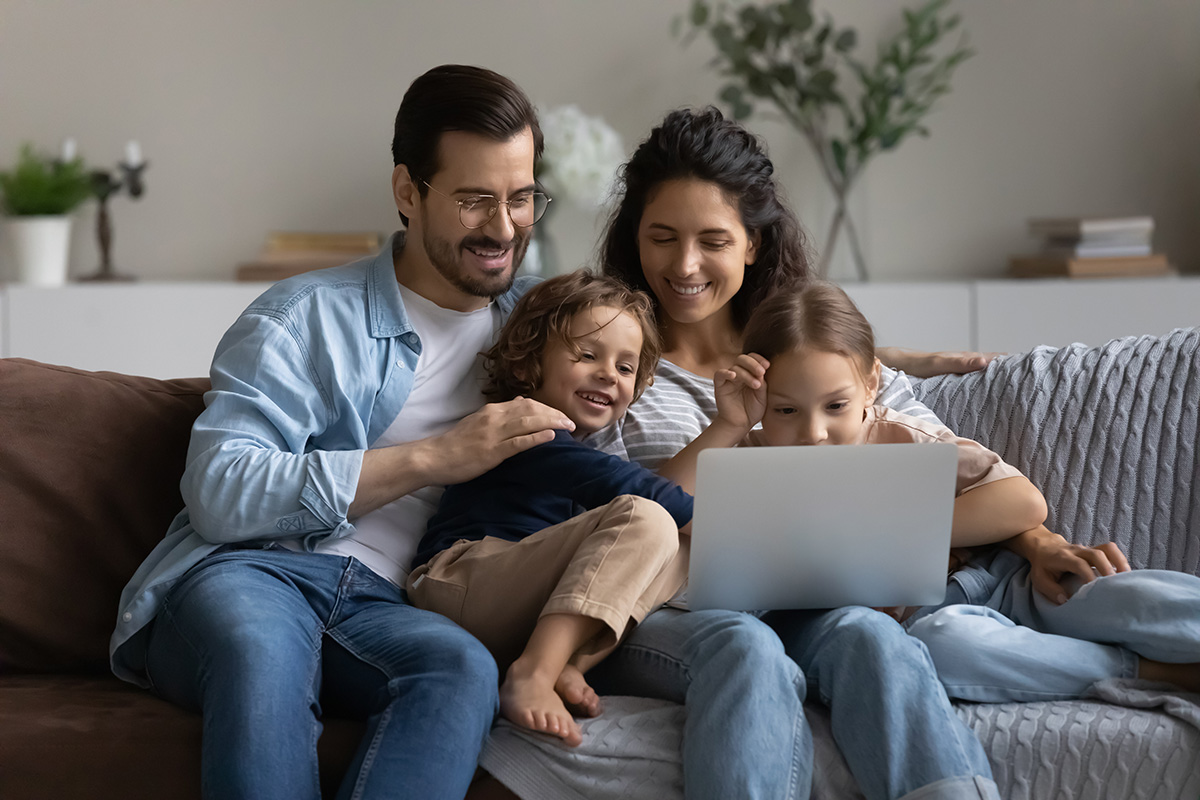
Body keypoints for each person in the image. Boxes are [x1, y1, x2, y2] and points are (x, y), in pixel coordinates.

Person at [108, 64, 575, 800]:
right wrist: (433, 458)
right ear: (406, 192)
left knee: (461, 669)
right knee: (261, 650)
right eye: (474, 199)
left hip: (388, 607)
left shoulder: (542, 332)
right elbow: (220, 489)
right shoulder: (304, 317)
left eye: (522, 198)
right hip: (255, 572)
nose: (504, 226)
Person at [571, 105, 1006, 800]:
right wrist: (722, 429)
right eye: (662, 237)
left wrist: (1038, 539)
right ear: (635, 239)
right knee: (747, 646)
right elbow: (616, 522)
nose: (684, 265)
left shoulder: (807, 347)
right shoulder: (608, 359)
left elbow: (937, 462)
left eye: (712, 240)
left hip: (806, 606)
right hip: (665, 615)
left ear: (752, 243)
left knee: (872, 637)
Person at [727, 281, 1200, 702]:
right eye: (786, 411)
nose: (815, 432)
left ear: (871, 384)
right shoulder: (748, 464)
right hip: (929, 623)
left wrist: (883, 534)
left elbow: (1023, 502)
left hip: (1004, 584)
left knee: (1130, 599)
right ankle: (1156, 673)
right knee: (944, 647)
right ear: (760, 399)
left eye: (836, 405)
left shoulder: (901, 436)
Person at [407, 270, 692, 747]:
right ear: (526, 363)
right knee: (646, 516)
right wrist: (722, 525)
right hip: (459, 581)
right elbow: (620, 483)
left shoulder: (577, 443)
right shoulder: (518, 426)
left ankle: (569, 665)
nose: (608, 373)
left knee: (676, 547)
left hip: (520, 599)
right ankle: (533, 674)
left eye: (626, 367)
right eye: (587, 355)